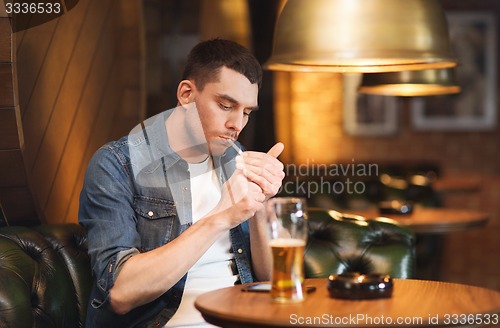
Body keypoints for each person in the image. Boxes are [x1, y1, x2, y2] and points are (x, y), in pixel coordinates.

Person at [79, 38, 285, 327]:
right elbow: (121, 293)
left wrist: (260, 206)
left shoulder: (237, 162)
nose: (237, 124)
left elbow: (272, 282)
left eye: (247, 113)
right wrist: (220, 216)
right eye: (226, 105)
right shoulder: (117, 164)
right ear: (187, 94)